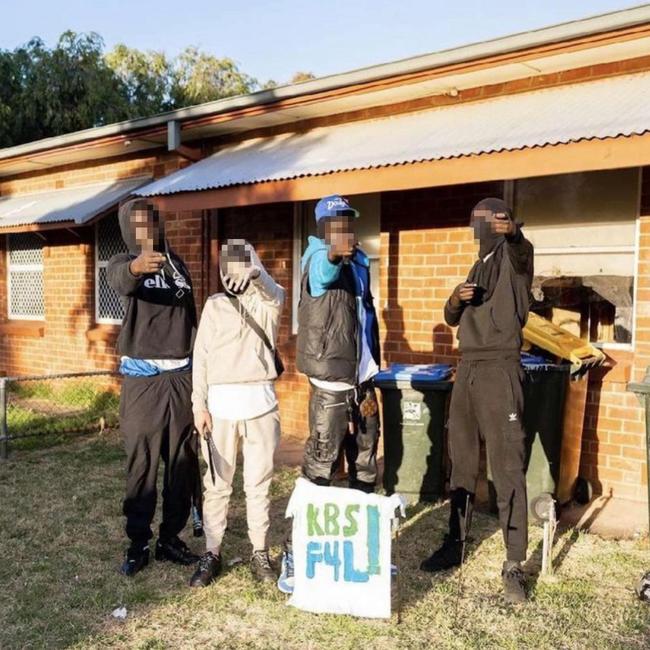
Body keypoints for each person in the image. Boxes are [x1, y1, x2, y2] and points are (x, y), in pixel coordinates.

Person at [419, 197, 534, 604]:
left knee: (507, 467)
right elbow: (452, 318)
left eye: (487, 221)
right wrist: (455, 298)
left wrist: (514, 232)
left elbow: (523, 251)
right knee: (462, 463)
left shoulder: (513, 260)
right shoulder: (477, 263)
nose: (480, 228)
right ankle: (455, 543)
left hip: (500, 370)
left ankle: (514, 563)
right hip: (465, 369)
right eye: (477, 221)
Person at [277, 194, 381, 594]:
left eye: (348, 222)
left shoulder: (361, 262)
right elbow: (322, 273)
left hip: (364, 381)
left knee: (366, 465)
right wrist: (335, 254)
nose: (345, 229)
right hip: (331, 385)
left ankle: (364, 553)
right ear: (323, 227)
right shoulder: (317, 258)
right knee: (320, 469)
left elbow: (364, 315)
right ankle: (295, 554)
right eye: (336, 222)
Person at [108, 198, 200, 576]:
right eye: (139, 222)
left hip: (181, 377)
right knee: (141, 463)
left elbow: (191, 318)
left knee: (182, 461)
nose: (147, 228)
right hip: (143, 382)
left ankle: (170, 539)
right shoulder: (122, 261)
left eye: (152, 221)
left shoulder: (177, 264)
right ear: (129, 228)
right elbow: (121, 280)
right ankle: (138, 542)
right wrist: (135, 266)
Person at [190, 239, 285, 587]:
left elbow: (274, 293)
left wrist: (256, 274)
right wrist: (199, 404)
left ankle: (259, 551)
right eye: (229, 264)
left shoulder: (267, 302)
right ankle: (212, 551)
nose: (235, 271)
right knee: (217, 485)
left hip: (260, 405)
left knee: (258, 485)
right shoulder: (214, 306)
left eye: (242, 262)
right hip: (220, 409)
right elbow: (200, 358)